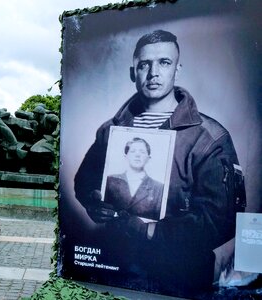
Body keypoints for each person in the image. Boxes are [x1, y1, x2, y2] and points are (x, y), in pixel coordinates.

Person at [71, 30, 246, 295]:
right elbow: (84, 182)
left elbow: (223, 220)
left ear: (177, 69)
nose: (153, 72)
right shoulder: (110, 130)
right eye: (144, 64)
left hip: (181, 279)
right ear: (134, 73)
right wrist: (94, 202)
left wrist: (151, 232)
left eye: (164, 62)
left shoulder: (209, 137)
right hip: (116, 268)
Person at [103, 137, 164, 221]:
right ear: (126, 156)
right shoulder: (110, 181)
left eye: (142, 152)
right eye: (133, 151)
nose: (137, 155)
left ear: (148, 158)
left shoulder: (159, 188)